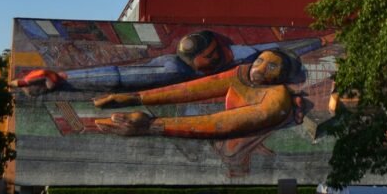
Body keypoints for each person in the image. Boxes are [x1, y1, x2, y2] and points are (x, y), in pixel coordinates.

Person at [9, 30, 315, 94]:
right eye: (207, 57)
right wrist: (64, 78)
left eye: (213, 53)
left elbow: (272, 47)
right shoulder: (175, 68)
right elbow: (122, 76)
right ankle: (57, 79)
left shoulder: (241, 53)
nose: (214, 58)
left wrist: (320, 42)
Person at [93, 49, 296, 139]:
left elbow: (221, 123)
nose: (260, 68)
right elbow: (189, 90)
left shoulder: (277, 98)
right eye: (259, 61)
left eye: (272, 66)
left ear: (282, 75)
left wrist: (151, 125)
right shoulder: (241, 74)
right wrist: (133, 97)